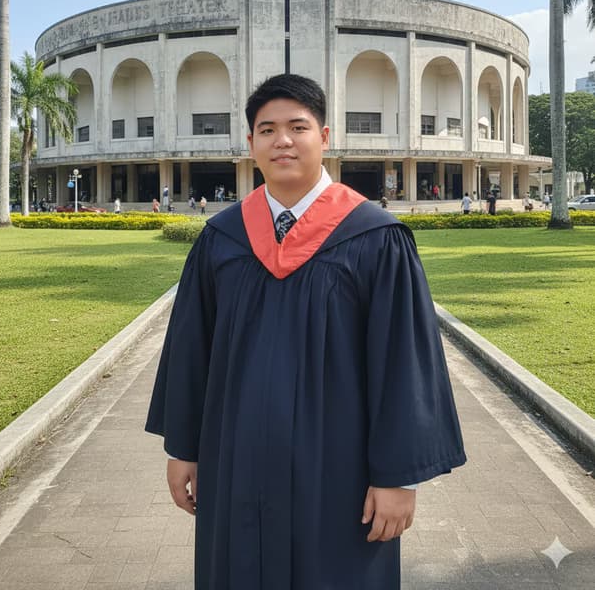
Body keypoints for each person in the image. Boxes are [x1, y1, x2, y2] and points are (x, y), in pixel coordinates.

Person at [146, 74, 465, 590]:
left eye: (298, 126)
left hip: (339, 469)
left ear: (325, 135)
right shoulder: (222, 239)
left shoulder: (375, 237)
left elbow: (404, 361)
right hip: (236, 462)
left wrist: (398, 478)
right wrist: (183, 449)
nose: (283, 140)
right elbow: (190, 351)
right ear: (250, 144)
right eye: (267, 129)